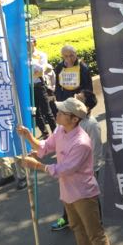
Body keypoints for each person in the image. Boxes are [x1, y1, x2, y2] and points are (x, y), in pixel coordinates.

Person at [17, 98, 114, 245]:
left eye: (62, 112)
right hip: (68, 190)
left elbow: (65, 169)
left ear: (74, 119)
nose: (57, 114)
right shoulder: (60, 130)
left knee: (95, 231)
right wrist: (29, 136)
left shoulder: (81, 142)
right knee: (76, 225)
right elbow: (45, 146)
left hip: (83, 192)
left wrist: (37, 166)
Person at [50, 90, 104, 231]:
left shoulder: (91, 125)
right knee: (68, 195)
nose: (75, 98)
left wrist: (92, 169)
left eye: (79, 99)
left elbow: (96, 149)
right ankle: (67, 218)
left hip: (87, 169)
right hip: (69, 167)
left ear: (86, 108)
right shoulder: (66, 123)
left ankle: (96, 222)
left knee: (90, 196)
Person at [30, 36, 56, 138]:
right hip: (29, 87)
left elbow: (41, 70)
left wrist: (31, 64)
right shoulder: (22, 57)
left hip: (40, 85)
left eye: (29, 42)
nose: (27, 45)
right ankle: (45, 133)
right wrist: (33, 71)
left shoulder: (41, 55)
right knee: (35, 111)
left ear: (34, 43)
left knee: (47, 111)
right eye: (25, 43)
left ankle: (55, 133)